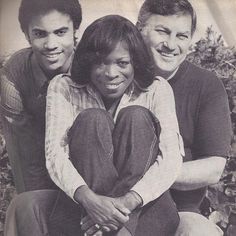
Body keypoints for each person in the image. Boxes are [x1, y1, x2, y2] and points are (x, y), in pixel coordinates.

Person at [44, 14, 184, 236]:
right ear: (88, 62)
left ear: (135, 62)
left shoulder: (157, 89)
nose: (111, 74)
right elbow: (55, 155)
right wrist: (91, 201)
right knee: (93, 119)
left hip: (145, 212)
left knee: (136, 116)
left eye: (122, 63)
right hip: (83, 211)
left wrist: (124, 205)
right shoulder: (63, 87)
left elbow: (171, 159)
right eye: (100, 63)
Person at [136, 0, 232, 235]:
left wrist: (145, 178)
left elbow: (213, 168)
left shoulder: (205, 85)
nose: (171, 44)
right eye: (162, 31)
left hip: (181, 211)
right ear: (139, 30)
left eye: (181, 35)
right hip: (116, 207)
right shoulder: (118, 74)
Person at [1, 0, 82, 235]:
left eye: (60, 32)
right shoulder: (13, 77)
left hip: (85, 165)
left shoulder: (91, 65)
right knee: (28, 208)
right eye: (39, 34)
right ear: (26, 35)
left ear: (75, 30)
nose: (51, 44)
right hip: (39, 160)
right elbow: (23, 154)